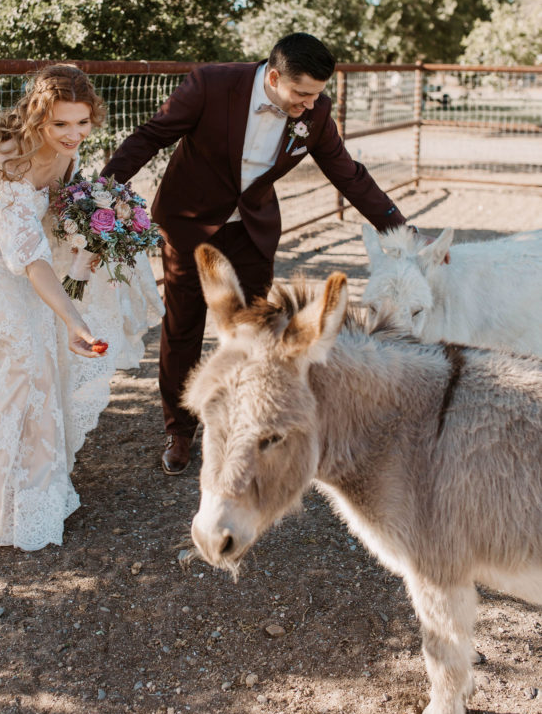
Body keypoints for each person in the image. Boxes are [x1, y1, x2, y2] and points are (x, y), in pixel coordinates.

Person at [102, 32, 416, 476]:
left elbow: (348, 172)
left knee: (254, 329)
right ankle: (180, 428)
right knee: (183, 326)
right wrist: (100, 193)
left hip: (251, 230)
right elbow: (150, 137)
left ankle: (245, 416)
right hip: (190, 222)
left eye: (317, 95)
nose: (309, 105)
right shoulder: (210, 84)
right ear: (273, 76)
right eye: (301, 93)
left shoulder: (315, 112)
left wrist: (396, 225)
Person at [0, 65, 163, 562]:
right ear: (39, 118)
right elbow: (32, 260)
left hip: (29, 249)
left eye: (82, 123)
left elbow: (59, 211)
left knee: (39, 359)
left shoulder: (70, 150)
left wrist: (93, 240)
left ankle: (37, 495)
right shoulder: (11, 163)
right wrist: (75, 319)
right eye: (61, 124)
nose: (73, 135)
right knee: (16, 357)